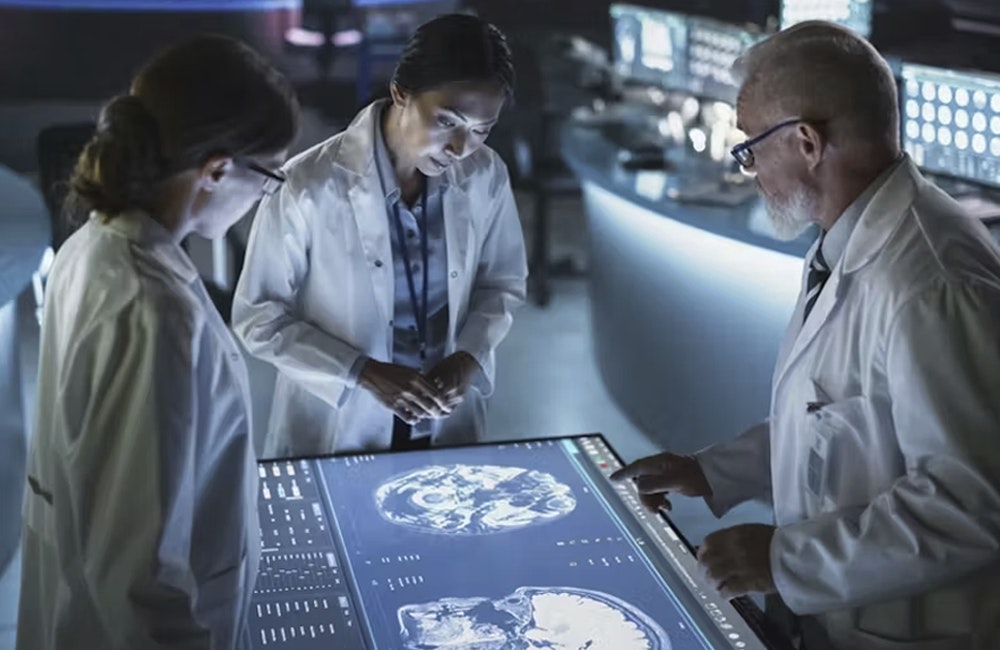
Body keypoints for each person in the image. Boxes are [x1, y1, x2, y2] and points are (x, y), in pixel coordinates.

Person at [612, 21, 1000, 650]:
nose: (747, 170)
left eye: (749, 148)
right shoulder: (846, 240)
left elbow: (972, 504)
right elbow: (830, 424)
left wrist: (783, 561)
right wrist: (709, 472)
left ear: (807, 143)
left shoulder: (932, 281)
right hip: (836, 614)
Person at [18, 35, 299, 649]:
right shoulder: (152, 311)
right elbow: (138, 582)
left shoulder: (93, 244)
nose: (265, 197)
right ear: (217, 170)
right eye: (269, 177)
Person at [233, 13, 527, 457]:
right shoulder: (308, 185)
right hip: (339, 425)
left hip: (444, 421)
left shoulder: (485, 174)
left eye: (481, 130)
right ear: (400, 92)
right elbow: (259, 318)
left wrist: (468, 356)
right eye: (447, 121)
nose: (459, 148)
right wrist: (362, 372)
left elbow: (501, 283)